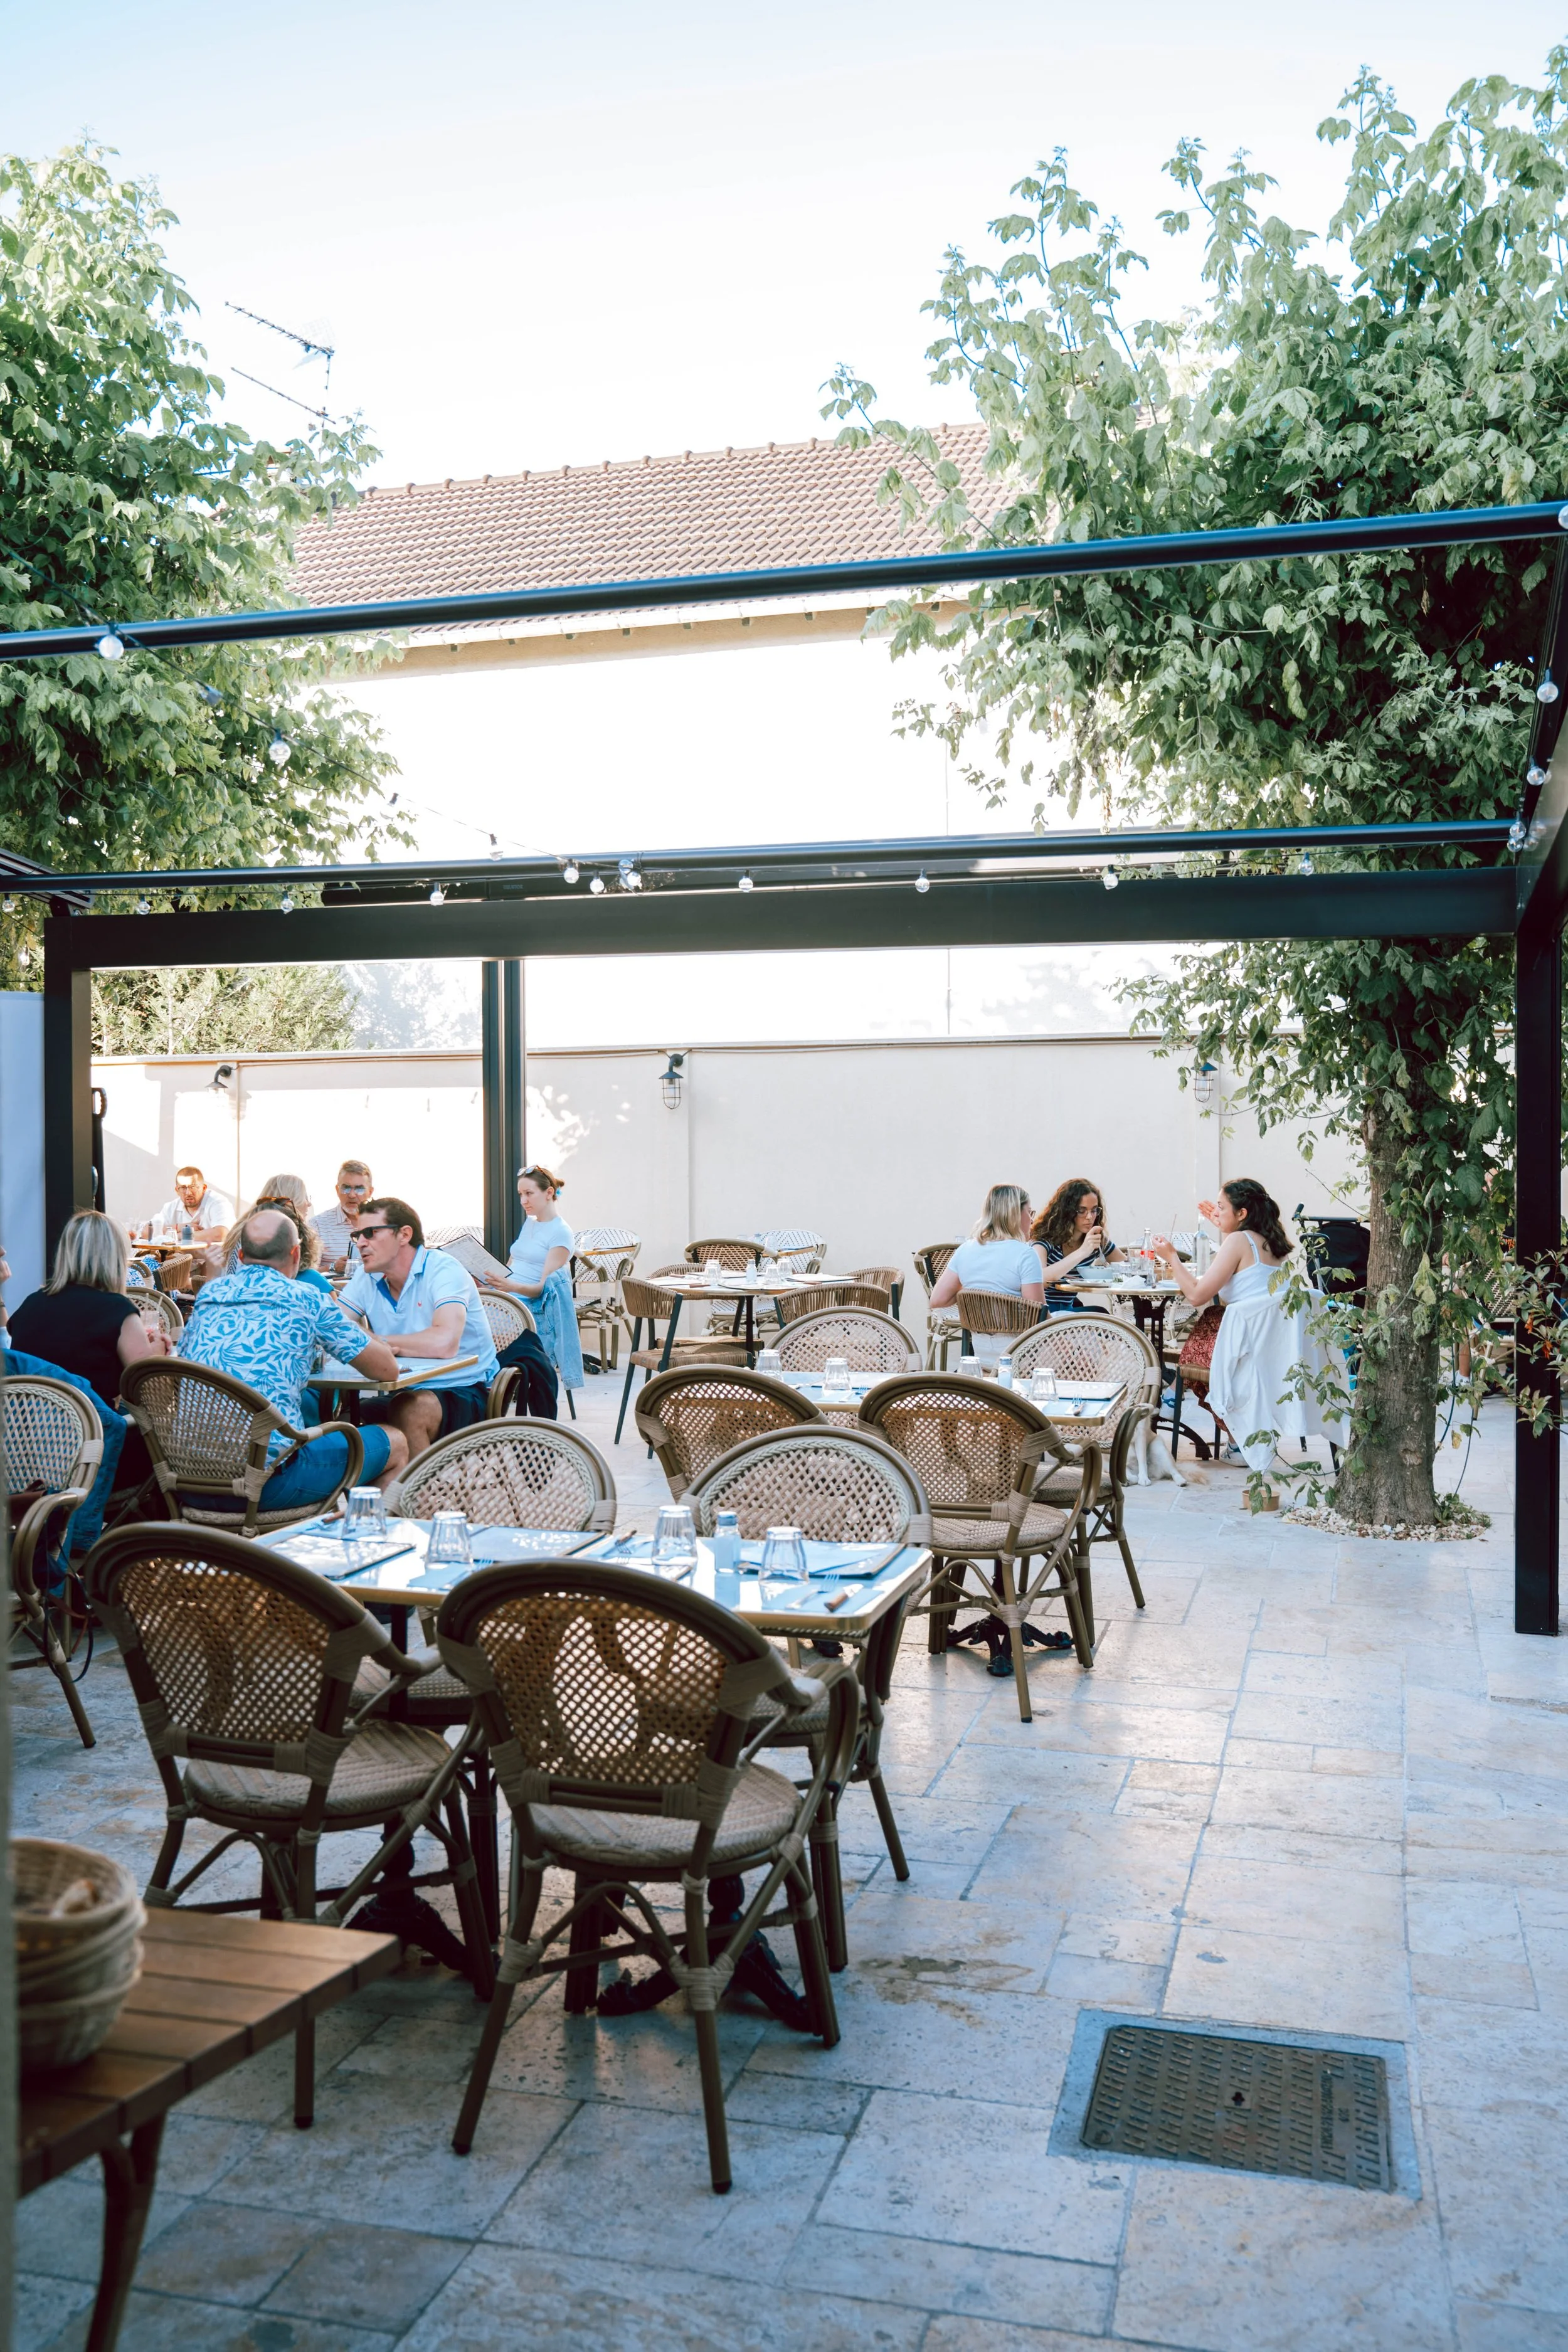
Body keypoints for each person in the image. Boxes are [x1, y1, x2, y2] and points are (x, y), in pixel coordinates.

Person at [178, 1209, 408, 1506]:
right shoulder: (306, 1297)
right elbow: (387, 1370)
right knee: (396, 1442)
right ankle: (353, 1543)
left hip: (188, 1480)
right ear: (296, 1253)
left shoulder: (210, 1295)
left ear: (241, 1254)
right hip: (268, 1484)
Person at [1150, 1179, 1349, 1485]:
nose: (1216, 1212)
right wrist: (1225, 1225)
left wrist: (1172, 1257)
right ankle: (1236, 1440)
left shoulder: (1239, 1242)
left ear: (1242, 1213)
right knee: (1213, 1322)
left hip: (1248, 1351)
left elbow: (1196, 1296)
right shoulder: (1274, 1243)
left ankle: (1220, 1428)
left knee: (1200, 1337)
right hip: (1277, 1351)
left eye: (1221, 1207)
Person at [340, 1196, 499, 1459]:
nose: (360, 1243)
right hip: (402, 1388)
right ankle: (379, 1498)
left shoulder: (444, 1269)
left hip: (466, 1388)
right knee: (340, 1423)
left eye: (370, 1233)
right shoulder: (367, 1274)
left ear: (404, 1234)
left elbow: (445, 1343)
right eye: (357, 1234)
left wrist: (375, 1340)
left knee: (408, 1410)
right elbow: (337, 1328)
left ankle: (424, 1498)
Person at [8, 1210, 171, 1405]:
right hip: (94, 1430)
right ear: (116, 1258)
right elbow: (153, 1398)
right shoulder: (117, 1311)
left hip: (25, 1429)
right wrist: (159, 1355)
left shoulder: (31, 1304)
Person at [476, 1163, 581, 1414]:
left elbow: (542, 1289)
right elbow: (513, 1265)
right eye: (521, 1194)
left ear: (549, 1193)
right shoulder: (531, 1224)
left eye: (529, 1194)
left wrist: (509, 1286)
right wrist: (491, 1280)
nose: (523, 1200)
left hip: (529, 1309)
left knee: (473, 1332)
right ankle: (480, 1393)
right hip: (507, 1298)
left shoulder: (561, 1233)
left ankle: (487, 1394)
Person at [927, 1184, 1045, 1359]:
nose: (1032, 1219)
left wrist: (970, 1290)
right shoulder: (1026, 1254)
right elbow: (1038, 1316)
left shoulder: (965, 1250)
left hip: (981, 1352)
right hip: (1021, 1354)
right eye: (1030, 1212)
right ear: (1015, 1214)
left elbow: (936, 1300)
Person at [219, 1176, 332, 1292]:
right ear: (292, 1200)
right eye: (305, 1197)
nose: (309, 1204)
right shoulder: (268, 1232)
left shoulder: (249, 1227)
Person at [1032, 1179, 1128, 1313]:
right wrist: (1083, 1251)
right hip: (1043, 1312)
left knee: (1102, 1315)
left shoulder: (1095, 1239)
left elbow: (1127, 1268)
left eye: (1094, 1210)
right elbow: (1039, 1278)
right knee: (1101, 1315)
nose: (1089, 1217)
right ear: (1067, 1211)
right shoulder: (1046, 1238)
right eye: (1082, 1211)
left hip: (1068, 1310)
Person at [138, 1165, 233, 1246]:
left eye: (193, 1187)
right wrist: (179, 1227)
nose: (188, 1192)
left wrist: (180, 1235)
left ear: (204, 1188)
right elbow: (146, 1232)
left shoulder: (217, 1202)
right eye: (183, 1188)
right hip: (182, 1263)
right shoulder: (171, 1207)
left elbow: (222, 1234)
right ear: (177, 1190)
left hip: (213, 1264)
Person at [311, 1161, 374, 1276]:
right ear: (337, 1190)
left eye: (359, 1189)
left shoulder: (383, 1225)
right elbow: (305, 1275)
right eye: (346, 1188)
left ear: (370, 1192)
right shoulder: (318, 1225)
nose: (351, 1195)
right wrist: (332, 1267)